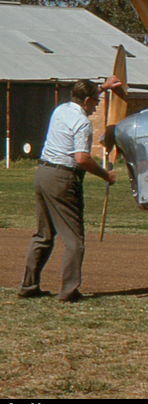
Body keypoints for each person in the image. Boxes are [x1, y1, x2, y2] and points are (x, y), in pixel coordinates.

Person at [18, 76, 121, 303]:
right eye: (95, 100)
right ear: (86, 100)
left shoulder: (62, 108)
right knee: (74, 241)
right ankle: (69, 291)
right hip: (63, 178)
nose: (96, 105)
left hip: (42, 174)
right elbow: (82, 159)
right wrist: (106, 175)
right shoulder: (82, 123)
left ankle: (28, 286)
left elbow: (84, 93)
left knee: (43, 235)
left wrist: (104, 87)